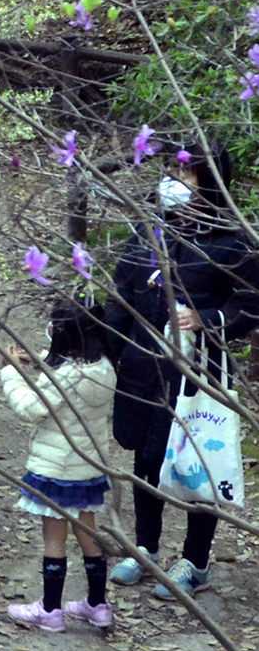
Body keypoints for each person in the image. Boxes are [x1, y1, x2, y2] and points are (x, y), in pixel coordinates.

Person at [105, 140, 259, 599]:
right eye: (173, 169)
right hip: (144, 362)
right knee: (147, 457)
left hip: (199, 368)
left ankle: (195, 561)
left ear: (209, 183)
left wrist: (209, 320)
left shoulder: (232, 241)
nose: (175, 180)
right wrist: (112, 350)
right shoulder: (151, 229)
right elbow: (123, 292)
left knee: (197, 463)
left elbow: (250, 304)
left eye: (186, 173)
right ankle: (146, 548)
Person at [0, 297, 119, 633]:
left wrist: (12, 372)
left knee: (54, 536)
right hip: (89, 466)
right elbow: (64, 368)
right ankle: (98, 604)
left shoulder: (67, 376)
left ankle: (50, 610)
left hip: (57, 469)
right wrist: (37, 360)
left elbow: (31, 407)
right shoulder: (104, 367)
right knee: (88, 531)